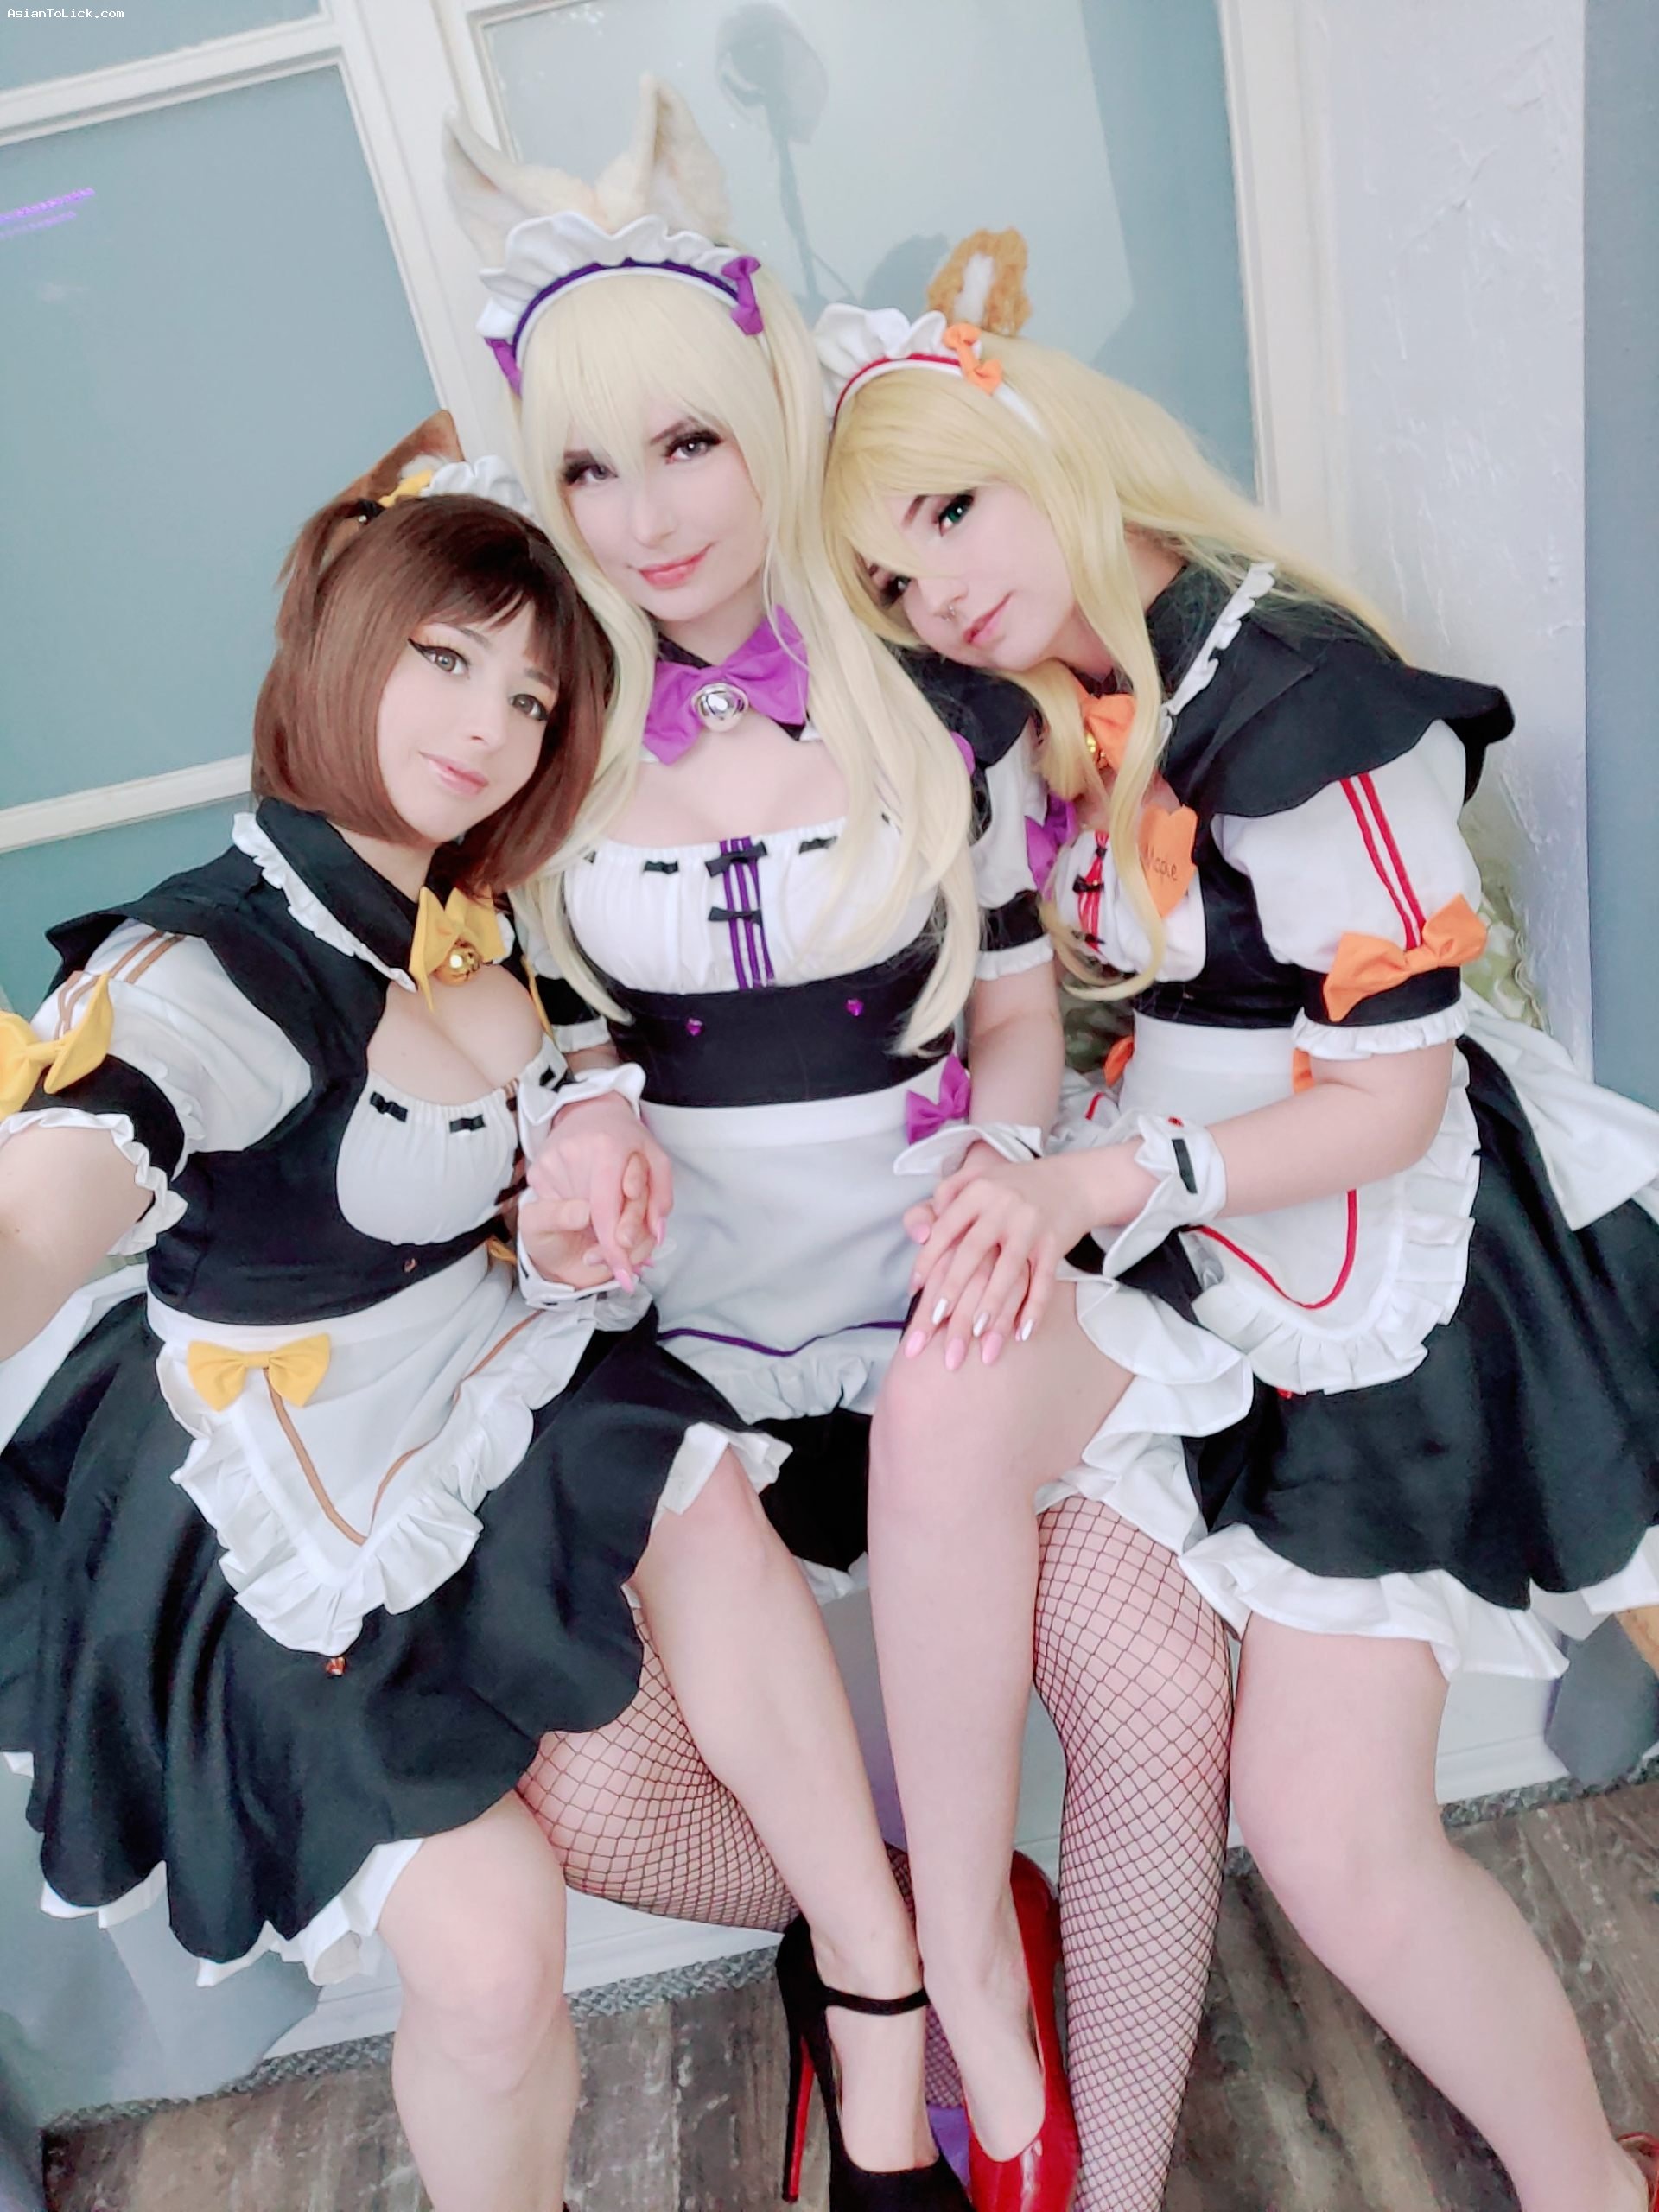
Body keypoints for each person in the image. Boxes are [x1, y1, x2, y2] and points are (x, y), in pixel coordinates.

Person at [444, 80, 1250, 2212]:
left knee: (1154, 1685)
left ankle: (1085, 2159)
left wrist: (1011, 1157)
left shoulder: (932, 687)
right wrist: (575, 1123)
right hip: (684, 1345)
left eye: (688, 442)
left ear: (767, 415)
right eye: (587, 468)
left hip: (940, 1290)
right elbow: (519, 1026)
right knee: (601, 1797)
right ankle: (906, 1925)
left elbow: (1015, 1003)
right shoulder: (531, 728)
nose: (644, 518)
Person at [0, 446, 957, 2212]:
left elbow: (502, 1138)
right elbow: (53, 1191)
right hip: (275, 1503)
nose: (489, 725)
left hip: (477, 1380)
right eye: (445, 657)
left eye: (529, 696)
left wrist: (571, 1186)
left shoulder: (468, 920)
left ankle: (884, 2026)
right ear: (337, 644)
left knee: (688, 1471)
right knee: (496, 1956)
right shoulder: (206, 965)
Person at [817, 283, 1659, 2212]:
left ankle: (1591, 2189)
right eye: (892, 576)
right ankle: (960, 1961)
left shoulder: (1299, 700)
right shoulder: (1063, 700)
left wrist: (1092, 1187)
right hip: (1194, 1205)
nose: (940, 591)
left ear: (1047, 443)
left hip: (1389, 1262)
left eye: (951, 511)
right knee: (946, 1392)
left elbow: (1392, 1109)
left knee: (1330, 1837)